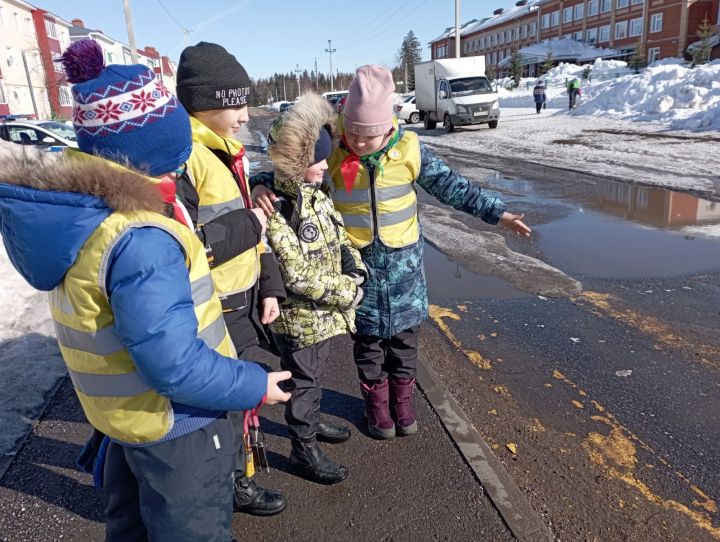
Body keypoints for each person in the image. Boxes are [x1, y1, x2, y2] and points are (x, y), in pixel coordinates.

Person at [0, 39, 291, 541]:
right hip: (175, 427)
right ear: (156, 150)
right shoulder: (141, 238)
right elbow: (173, 363)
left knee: (132, 528)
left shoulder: (90, 221)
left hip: (127, 423)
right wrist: (252, 385)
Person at [252, 65, 530, 441]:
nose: (359, 142)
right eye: (353, 133)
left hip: (405, 278)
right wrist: (258, 185)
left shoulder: (410, 150)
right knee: (367, 349)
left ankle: (403, 404)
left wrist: (498, 213)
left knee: (404, 348)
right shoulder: (333, 154)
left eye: (369, 137)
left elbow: (454, 188)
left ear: (388, 128)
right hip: (358, 275)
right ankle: (377, 409)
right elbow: (288, 173)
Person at [175, 41, 287, 516]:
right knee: (224, 401)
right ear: (204, 104)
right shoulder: (185, 158)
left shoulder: (228, 153)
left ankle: (240, 474)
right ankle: (228, 486)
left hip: (244, 300)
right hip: (213, 308)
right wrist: (250, 225)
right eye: (235, 104)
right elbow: (183, 243)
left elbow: (251, 230)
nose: (244, 115)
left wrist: (268, 285)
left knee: (247, 391)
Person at [264, 93, 366, 485]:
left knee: (314, 375)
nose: (326, 164)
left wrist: (355, 268)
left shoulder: (317, 193)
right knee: (303, 380)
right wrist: (348, 292)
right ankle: (303, 449)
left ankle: (311, 420)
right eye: (317, 159)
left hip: (322, 315)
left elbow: (339, 238)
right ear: (297, 163)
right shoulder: (280, 207)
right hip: (299, 318)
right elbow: (296, 275)